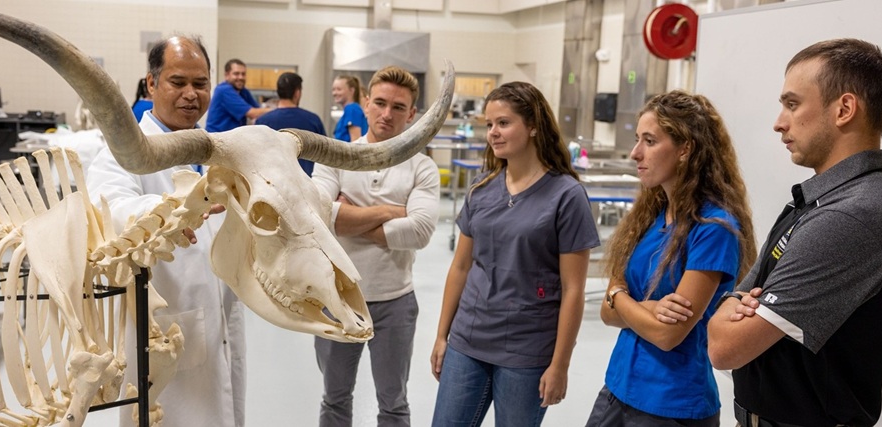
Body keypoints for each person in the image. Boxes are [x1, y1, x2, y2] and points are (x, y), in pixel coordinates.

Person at [706, 38, 882, 427]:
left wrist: (734, 309)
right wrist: (734, 305)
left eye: (792, 104)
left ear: (844, 109)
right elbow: (738, 297)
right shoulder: (816, 203)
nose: (779, 122)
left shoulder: (850, 216)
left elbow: (725, 347)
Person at [87, 36, 247, 427]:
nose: (191, 94)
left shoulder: (217, 152)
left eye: (201, 83)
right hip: (166, 328)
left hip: (220, 319)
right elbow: (109, 209)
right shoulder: (121, 153)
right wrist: (169, 212)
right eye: (178, 82)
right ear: (152, 84)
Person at [430, 81, 600, 427]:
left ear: (533, 126)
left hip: (527, 349)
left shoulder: (566, 196)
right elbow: (460, 267)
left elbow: (573, 290)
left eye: (504, 123)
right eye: (489, 124)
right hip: (469, 338)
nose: (493, 132)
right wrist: (442, 335)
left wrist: (560, 365)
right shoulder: (481, 188)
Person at [584, 90, 757, 426]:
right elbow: (606, 313)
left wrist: (619, 296)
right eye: (638, 140)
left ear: (684, 149)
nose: (635, 153)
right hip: (618, 387)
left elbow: (668, 335)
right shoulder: (650, 216)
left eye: (649, 141)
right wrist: (642, 306)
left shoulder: (714, 229)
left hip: (671, 403)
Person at [310, 65, 440, 427]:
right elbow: (316, 214)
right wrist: (390, 212)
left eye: (398, 107)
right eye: (380, 103)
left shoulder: (422, 167)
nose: (387, 114)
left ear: (412, 114)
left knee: (393, 403)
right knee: (334, 399)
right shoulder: (335, 155)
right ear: (365, 103)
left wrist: (348, 217)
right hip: (337, 298)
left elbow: (420, 231)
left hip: (395, 302)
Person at [255, 72, 327, 176]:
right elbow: (324, 155)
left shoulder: (262, 122)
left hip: (273, 181)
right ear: (297, 93)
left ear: (278, 92)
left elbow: (257, 157)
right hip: (307, 180)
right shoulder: (313, 120)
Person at [205, 58, 271, 132]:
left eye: (243, 74)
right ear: (226, 75)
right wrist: (276, 110)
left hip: (233, 136)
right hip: (217, 136)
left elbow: (258, 109)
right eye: (236, 74)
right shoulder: (223, 90)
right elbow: (252, 113)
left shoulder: (243, 91)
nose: (240, 77)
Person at [331, 75, 368, 142]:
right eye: (333, 89)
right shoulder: (351, 109)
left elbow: (356, 142)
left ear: (351, 90)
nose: (335, 93)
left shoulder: (352, 109)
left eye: (339, 89)